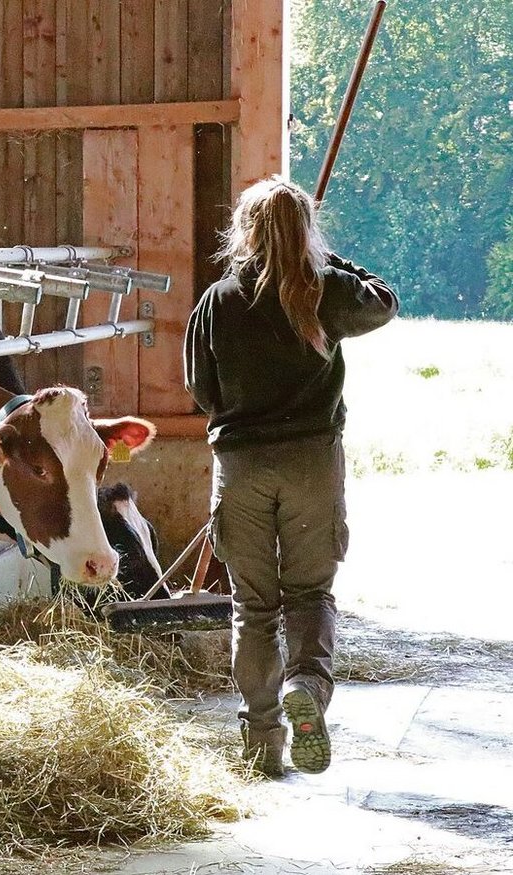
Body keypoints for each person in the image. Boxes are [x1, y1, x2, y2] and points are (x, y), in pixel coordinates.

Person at [184, 175, 399, 777]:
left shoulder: (219, 300)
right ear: (308, 232)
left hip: (242, 467)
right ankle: (307, 686)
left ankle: (260, 743)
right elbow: (383, 301)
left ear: (244, 230)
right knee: (309, 595)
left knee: (253, 608)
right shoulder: (326, 290)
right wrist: (329, 262)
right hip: (312, 464)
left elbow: (201, 390)